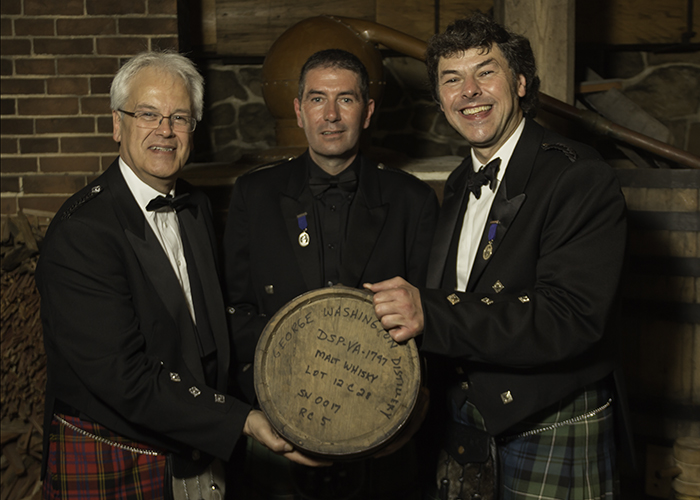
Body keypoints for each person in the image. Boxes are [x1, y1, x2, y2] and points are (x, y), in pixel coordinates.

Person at [36, 50, 322, 500]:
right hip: (115, 453)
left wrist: (304, 342)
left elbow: (205, 322)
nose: (164, 131)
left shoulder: (194, 207)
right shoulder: (82, 231)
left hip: (192, 443)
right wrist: (242, 419)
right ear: (117, 124)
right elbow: (123, 376)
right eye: (147, 114)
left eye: (180, 117)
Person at [365, 14, 628, 500]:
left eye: (485, 72)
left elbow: (569, 318)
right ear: (441, 99)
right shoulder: (460, 181)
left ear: (520, 82)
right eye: (452, 79)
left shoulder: (578, 175)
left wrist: (430, 312)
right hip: (466, 424)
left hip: (550, 419)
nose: (469, 91)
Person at [223, 49, 440, 498]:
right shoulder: (254, 194)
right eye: (318, 99)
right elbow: (233, 312)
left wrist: (403, 416)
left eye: (346, 99)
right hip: (277, 421)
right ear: (299, 111)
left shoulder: (412, 201)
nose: (331, 115)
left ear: (368, 111)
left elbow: (430, 320)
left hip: (381, 427)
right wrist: (275, 405)